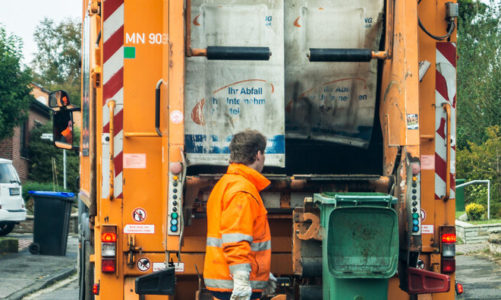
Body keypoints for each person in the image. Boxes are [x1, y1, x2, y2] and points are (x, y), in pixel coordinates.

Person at [203, 130, 276, 300]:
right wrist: (242, 280)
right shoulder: (242, 191)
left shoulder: (226, 184)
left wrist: (261, 272)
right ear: (258, 154)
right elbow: (236, 240)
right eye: (263, 153)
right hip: (233, 283)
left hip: (225, 278)